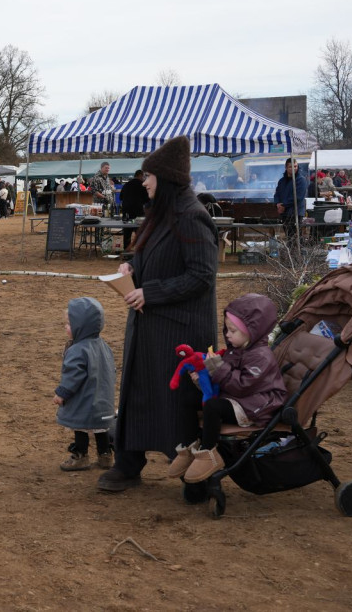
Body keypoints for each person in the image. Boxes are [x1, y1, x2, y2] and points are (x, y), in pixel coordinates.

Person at [97, 135, 218, 492]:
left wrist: (152, 292)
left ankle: (190, 471)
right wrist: (130, 265)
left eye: (148, 177)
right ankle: (128, 462)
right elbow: (151, 257)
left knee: (176, 404)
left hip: (179, 331)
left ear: (164, 180)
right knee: (137, 393)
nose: (143, 182)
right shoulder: (160, 215)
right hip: (148, 324)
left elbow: (202, 276)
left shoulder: (193, 217)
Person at [168, 294, 287, 483]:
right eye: (227, 329)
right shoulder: (235, 349)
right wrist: (203, 380)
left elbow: (242, 386)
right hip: (235, 398)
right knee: (188, 398)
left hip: (256, 405)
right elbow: (225, 381)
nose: (228, 334)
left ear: (252, 331)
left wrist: (217, 368)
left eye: (233, 330)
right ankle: (190, 446)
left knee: (213, 407)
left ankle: (208, 453)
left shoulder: (261, 356)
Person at [54, 297, 115, 471]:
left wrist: (61, 393)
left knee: (80, 427)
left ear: (82, 327)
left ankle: (80, 456)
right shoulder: (103, 345)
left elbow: (73, 376)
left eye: (69, 324)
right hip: (103, 399)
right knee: (100, 427)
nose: (66, 327)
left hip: (85, 400)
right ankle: (105, 456)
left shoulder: (78, 349)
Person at [273, 158, 307, 245]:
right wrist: (277, 204)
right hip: (284, 213)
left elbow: (298, 197)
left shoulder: (301, 180)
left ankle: (296, 257)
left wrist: (284, 205)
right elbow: (277, 194)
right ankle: (291, 256)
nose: (293, 168)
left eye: (295, 166)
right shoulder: (282, 181)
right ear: (286, 168)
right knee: (289, 237)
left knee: (295, 238)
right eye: (290, 167)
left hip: (296, 212)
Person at [119, 169, 150, 250]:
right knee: (139, 232)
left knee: (127, 233)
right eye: (143, 176)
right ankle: (140, 251)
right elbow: (147, 199)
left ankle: (126, 251)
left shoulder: (126, 185)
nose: (144, 178)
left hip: (127, 213)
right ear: (140, 175)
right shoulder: (142, 185)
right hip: (138, 212)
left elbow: (120, 197)